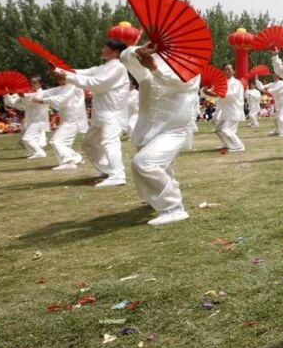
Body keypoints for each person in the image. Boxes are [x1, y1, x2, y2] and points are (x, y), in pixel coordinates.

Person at [120, 44, 197, 225]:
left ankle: (173, 208)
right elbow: (124, 58)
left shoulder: (190, 63)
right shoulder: (147, 57)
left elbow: (181, 84)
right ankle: (155, 198)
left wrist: (154, 68)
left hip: (174, 128)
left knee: (144, 163)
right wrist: (137, 50)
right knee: (161, 167)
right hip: (148, 126)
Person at [54, 39, 130, 187]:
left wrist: (67, 77)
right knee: (88, 144)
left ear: (114, 52)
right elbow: (86, 72)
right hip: (101, 115)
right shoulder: (104, 67)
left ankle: (118, 175)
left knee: (110, 143)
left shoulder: (118, 68)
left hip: (112, 114)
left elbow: (96, 83)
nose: (102, 49)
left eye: (105, 47)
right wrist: (62, 71)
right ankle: (107, 170)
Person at [31, 75, 88, 169]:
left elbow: (61, 100)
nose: (60, 81)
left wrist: (41, 100)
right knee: (64, 142)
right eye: (58, 79)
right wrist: (27, 95)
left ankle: (69, 162)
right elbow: (47, 92)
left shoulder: (72, 86)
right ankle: (76, 158)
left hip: (73, 119)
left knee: (56, 141)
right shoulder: (64, 87)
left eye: (62, 79)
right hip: (69, 119)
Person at [4, 76, 50, 159]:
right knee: (23, 139)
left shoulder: (43, 93)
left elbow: (33, 99)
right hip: (30, 120)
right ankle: (34, 152)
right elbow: (11, 103)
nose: (32, 84)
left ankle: (40, 153)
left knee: (27, 138)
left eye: (34, 83)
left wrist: (21, 94)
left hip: (38, 120)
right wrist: (6, 93)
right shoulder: (27, 92)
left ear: (41, 84)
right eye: (31, 82)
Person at [208, 64, 245, 153]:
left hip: (233, 110)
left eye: (229, 69)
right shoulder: (221, 82)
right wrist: (206, 90)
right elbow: (212, 93)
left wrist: (217, 92)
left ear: (233, 71)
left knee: (226, 129)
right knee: (218, 130)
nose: (226, 71)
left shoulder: (237, 83)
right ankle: (228, 144)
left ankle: (238, 146)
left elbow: (232, 95)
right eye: (225, 69)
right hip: (224, 111)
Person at [255, 70, 283, 137]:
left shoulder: (282, 83)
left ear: (278, 76)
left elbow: (275, 91)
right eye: (273, 76)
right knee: (276, 118)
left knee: (282, 118)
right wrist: (257, 80)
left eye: (275, 76)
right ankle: (278, 130)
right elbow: (262, 87)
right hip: (278, 104)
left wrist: (268, 90)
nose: (274, 77)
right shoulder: (272, 84)